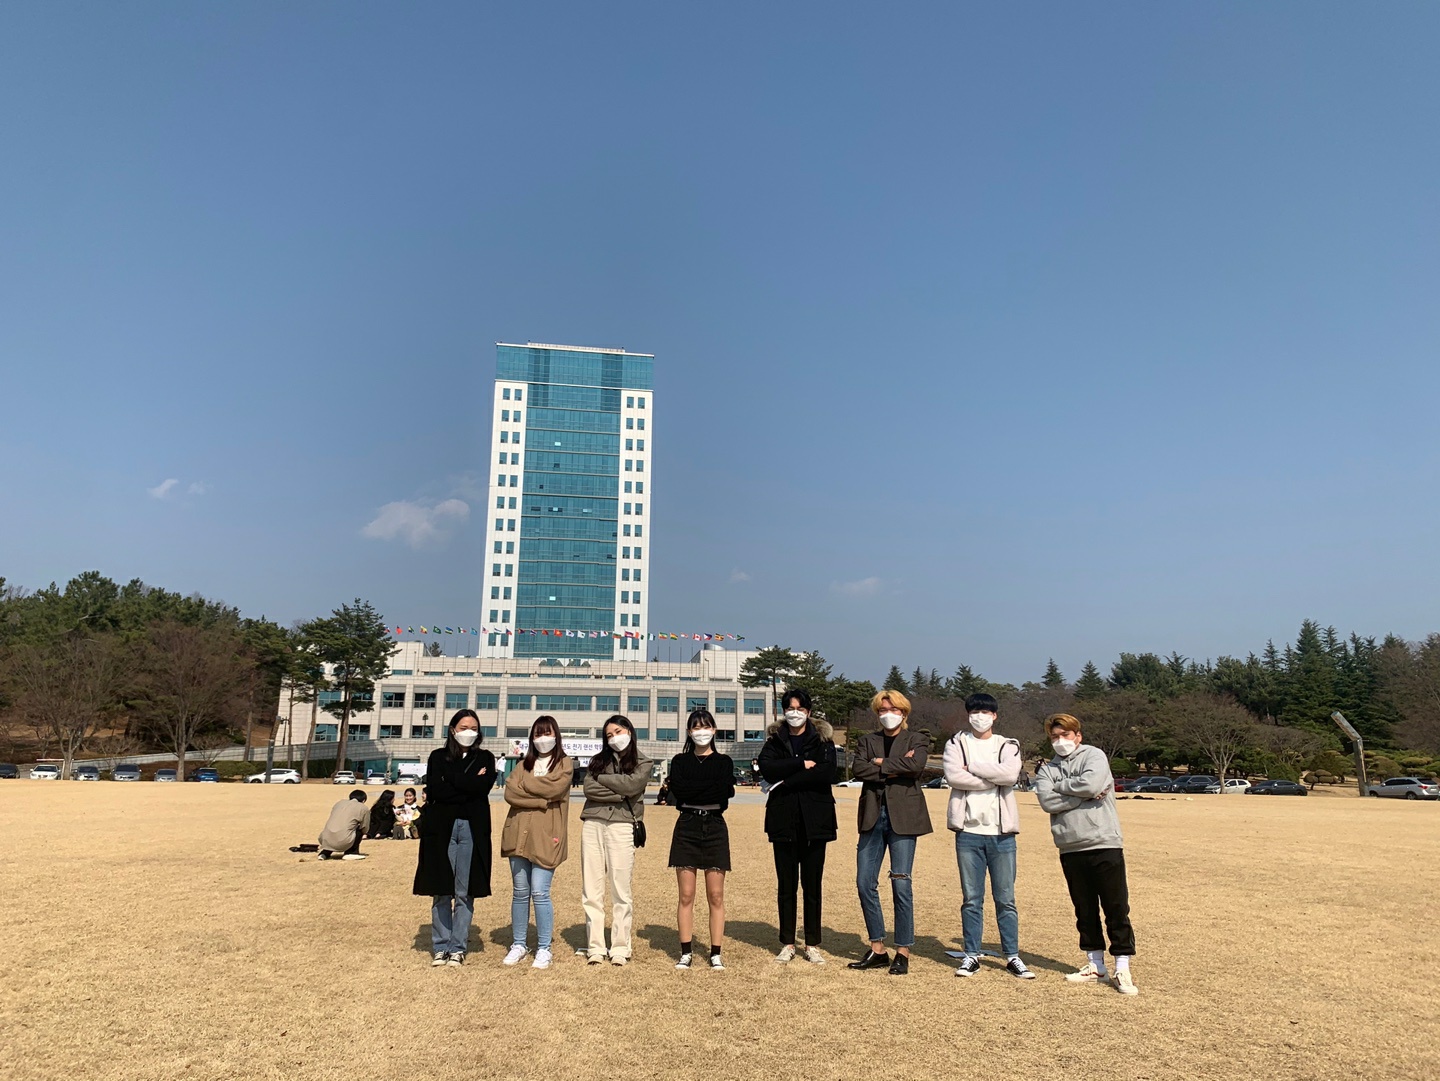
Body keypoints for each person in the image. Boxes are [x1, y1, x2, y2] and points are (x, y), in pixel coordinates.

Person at [1034, 713, 1138, 995]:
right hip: (1070, 845)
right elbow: (1047, 801)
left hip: (1104, 841)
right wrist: (1082, 793)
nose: (1060, 741)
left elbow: (1092, 785)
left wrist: (1064, 789)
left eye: (1065, 735)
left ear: (1077, 736)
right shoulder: (1047, 769)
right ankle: (1095, 964)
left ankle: (1122, 967)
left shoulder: (1094, 756)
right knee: (1084, 908)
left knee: (1116, 907)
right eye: (1055, 737)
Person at [943, 692, 1033, 979]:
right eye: (974, 712)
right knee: (972, 898)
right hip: (968, 833)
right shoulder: (956, 742)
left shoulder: (1008, 744)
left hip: (1001, 834)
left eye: (984, 712)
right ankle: (971, 954)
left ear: (994, 715)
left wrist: (973, 768)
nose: (979, 717)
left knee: (1006, 899)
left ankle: (1012, 955)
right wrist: (992, 778)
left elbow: (1010, 776)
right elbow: (954, 777)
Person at [846, 690, 932, 975]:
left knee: (901, 883)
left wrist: (879, 762)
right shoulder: (866, 741)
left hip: (904, 817)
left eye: (893, 709)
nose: (888, 714)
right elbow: (859, 769)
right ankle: (877, 948)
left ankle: (903, 951)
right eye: (883, 710)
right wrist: (894, 767)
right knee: (864, 882)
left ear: (903, 713)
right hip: (873, 815)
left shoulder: (917, 739)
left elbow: (916, 766)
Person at [757, 688, 837, 964]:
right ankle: (788, 942)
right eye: (790, 708)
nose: (795, 713)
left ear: (809, 712)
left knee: (812, 885)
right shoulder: (774, 740)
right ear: (783, 711)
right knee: (786, 885)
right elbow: (767, 768)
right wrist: (801, 764)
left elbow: (826, 773)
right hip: (783, 819)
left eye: (800, 709)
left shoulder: (823, 740)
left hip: (816, 820)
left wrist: (786, 780)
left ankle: (812, 943)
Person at [413, 710, 496, 966]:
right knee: (441, 889)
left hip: (472, 827)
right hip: (442, 827)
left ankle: (457, 947)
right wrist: (468, 783)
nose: (469, 732)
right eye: (463, 727)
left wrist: (452, 779)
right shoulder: (437, 756)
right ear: (452, 729)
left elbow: (483, 788)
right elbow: (436, 790)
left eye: (474, 728)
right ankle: (441, 946)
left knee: (464, 890)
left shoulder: (485, 757)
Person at [500, 716, 573, 969]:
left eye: (547, 733)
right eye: (538, 734)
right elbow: (510, 793)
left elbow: (555, 790)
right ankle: (519, 943)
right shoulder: (523, 764)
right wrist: (541, 800)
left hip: (546, 836)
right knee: (520, 892)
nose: (543, 739)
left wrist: (526, 787)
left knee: (540, 891)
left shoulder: (564, 763)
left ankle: (544, 948)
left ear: (556, 736)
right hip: (518, 834)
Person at [580, 714, 653, 966]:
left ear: (629, 731)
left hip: (622, 825)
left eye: (618, 732)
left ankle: (620, 947)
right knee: (592, 889)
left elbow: (633, 786)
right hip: (593, 823)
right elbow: (588, 788)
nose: (614, 738)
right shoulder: (597, 761)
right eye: (609, 735)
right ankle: (595, 947)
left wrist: (604, 780)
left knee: (621, 889)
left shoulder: (643, 761)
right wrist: (619, 792)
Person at [666, 709, 735, 970]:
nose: (701, 731)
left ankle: (715, 953)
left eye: (706, 726)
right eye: (696, 727)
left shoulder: (724, 761)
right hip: (687, 826)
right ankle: (686, 952)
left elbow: (724, 793)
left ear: (714, 730)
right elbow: (679, 792)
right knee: (686, 895)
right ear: (688, 732)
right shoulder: (680, 761)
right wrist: (707, 790)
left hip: (715, 826)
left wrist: (695, 790)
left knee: (716, 895)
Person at [318, 789, 370, 860]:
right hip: (344, 841)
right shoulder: (363, 808)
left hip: (324, 839)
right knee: (359, 829)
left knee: (337, 826)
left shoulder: (339, 803)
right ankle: (351, 852)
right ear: (363, 800)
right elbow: (364, 827)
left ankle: (324, 853)